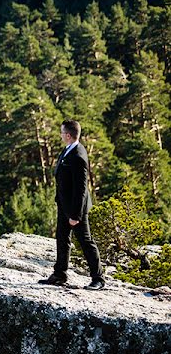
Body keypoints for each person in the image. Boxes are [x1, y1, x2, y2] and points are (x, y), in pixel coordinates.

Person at [38, 120, 105, 290]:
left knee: (86, 241)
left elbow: (81, 189)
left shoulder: (78, 155)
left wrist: (75, 215)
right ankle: (60, 274)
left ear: (68, 135)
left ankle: (98, 278)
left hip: (76, 209)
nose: (60, 135)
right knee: (62, 239)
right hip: (64, 205)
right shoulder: (68, 150)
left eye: (62, 133)